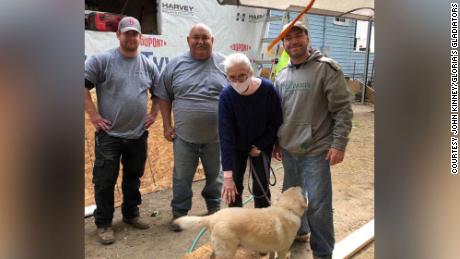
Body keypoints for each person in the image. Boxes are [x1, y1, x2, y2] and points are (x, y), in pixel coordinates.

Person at [273, 21, 353, 259]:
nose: (293, 42)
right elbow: (279, 113)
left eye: (298, 36)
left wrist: (339, 144)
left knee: (318, 206)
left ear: (307, 39)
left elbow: (342, 109)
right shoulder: (283, 74)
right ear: (283, 44)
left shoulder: (326, 69)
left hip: (316, 150)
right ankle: (301, 232)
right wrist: (277, 141)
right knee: (292, 199)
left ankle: (322, 253)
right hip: (289, 149)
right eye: (288, 38)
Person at [84, 16, 160, 245]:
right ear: (118, 35)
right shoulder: (102, 60)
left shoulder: (148, 64)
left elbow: (159, 93)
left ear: (141, 37)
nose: (131, 37)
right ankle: (104, 223)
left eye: (135, 33)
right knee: (105, 181)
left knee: (133, 178)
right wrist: (94, 115)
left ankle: (131, 215)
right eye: (126, 33)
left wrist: (154, 113)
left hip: (137, 135)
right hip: (110, 136)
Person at [154, 24, 228, 231]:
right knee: (181, 177)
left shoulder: (225, 64)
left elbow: (238, 96)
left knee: (216, 176)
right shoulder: (175, 65)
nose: (201, 41)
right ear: (188, 40)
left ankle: (214, 210)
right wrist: (167, 125)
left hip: (217, 138)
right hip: (184, 138)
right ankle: (179, 214)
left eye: (205, 37)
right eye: (196, 37)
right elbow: (163, 95)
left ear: (212, 40)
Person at [219, 53, 282, 208]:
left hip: (262, 144)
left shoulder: (268, 89)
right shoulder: (226, 96)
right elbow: (225, 135)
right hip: (236, 146)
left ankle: (262, 225)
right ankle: (236, 226)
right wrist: (227, 176)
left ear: (250, 73)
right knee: (233, 189)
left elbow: (276, 121)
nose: (237, 82)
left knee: (260, 187)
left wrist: (260, 145)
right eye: (232, 77)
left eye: (242, 76)